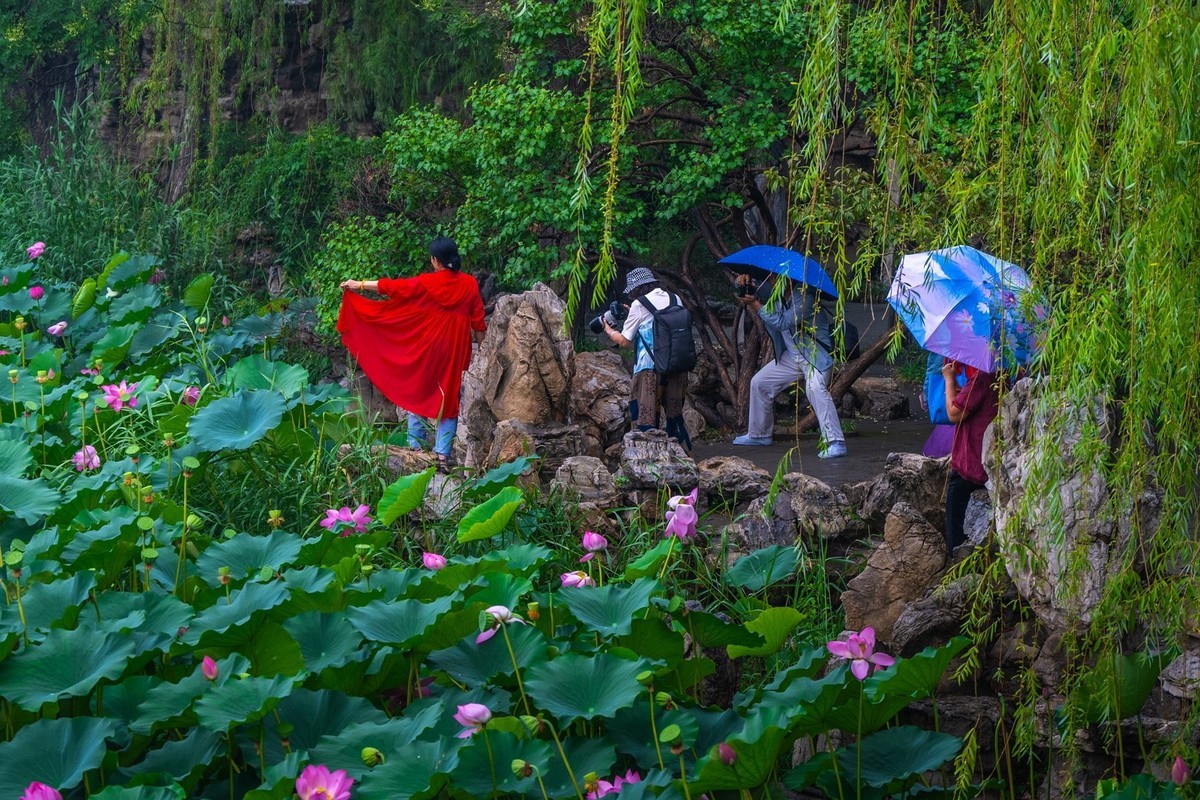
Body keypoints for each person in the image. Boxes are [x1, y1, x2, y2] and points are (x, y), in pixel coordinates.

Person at [337, 236, 486, 470]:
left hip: (428, 346)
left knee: (420, 390)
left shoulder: (428, 283)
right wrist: (482, 353)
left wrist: (359, 284)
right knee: (449, 398)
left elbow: (394, 288)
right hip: (457, 349)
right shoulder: (469, 284)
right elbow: (478, 323)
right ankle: (443, 456)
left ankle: (415, 449)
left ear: (436, 261)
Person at [732, 275, 846, 458]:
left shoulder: (806, 297)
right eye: (772, 277)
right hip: (793, 358)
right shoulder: (774, 292)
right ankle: (759, 435)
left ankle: (836, 442)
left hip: (814, 356)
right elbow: (747, 290)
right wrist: (740, 282)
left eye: (778, 278)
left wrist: (755, 305)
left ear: (791, 279)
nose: (773, 281)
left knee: (814, 388)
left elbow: (782, 322)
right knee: (759, 383)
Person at [601, 267, 691, 450]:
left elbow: (624, 341)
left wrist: (609, 331)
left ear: (637, 289)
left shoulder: (639, 305)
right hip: (677, 366)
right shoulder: (675, 298)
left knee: (645, 418)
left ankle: (646, 460)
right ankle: (683, 457)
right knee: (675, 416)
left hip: (649, 369)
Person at [941, 359, 999, 555]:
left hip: (971, 465)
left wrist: (949, 380)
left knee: (956, 528)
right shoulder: (1012, 375)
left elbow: (953, 414)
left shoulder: (983, 378)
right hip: (995, 464)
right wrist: (960, 391)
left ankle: (956, 567)